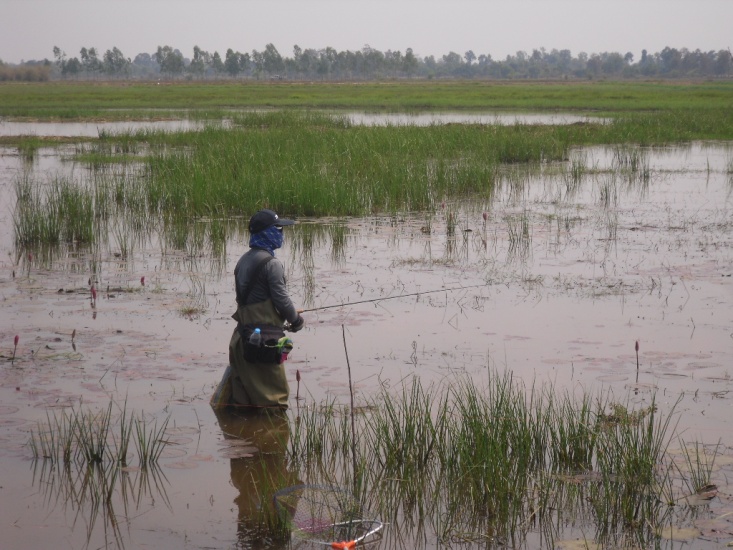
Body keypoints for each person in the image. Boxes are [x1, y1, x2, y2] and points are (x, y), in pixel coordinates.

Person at [228, 209, 305, 409]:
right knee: (273, 404)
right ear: (266, 233)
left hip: (241, 340)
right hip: (263, 344)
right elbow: (281, 299)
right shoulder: (272, 264)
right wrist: (296, 320)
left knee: (244, 403)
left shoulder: (243, 260)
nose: (281, 234)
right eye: (278, 229)